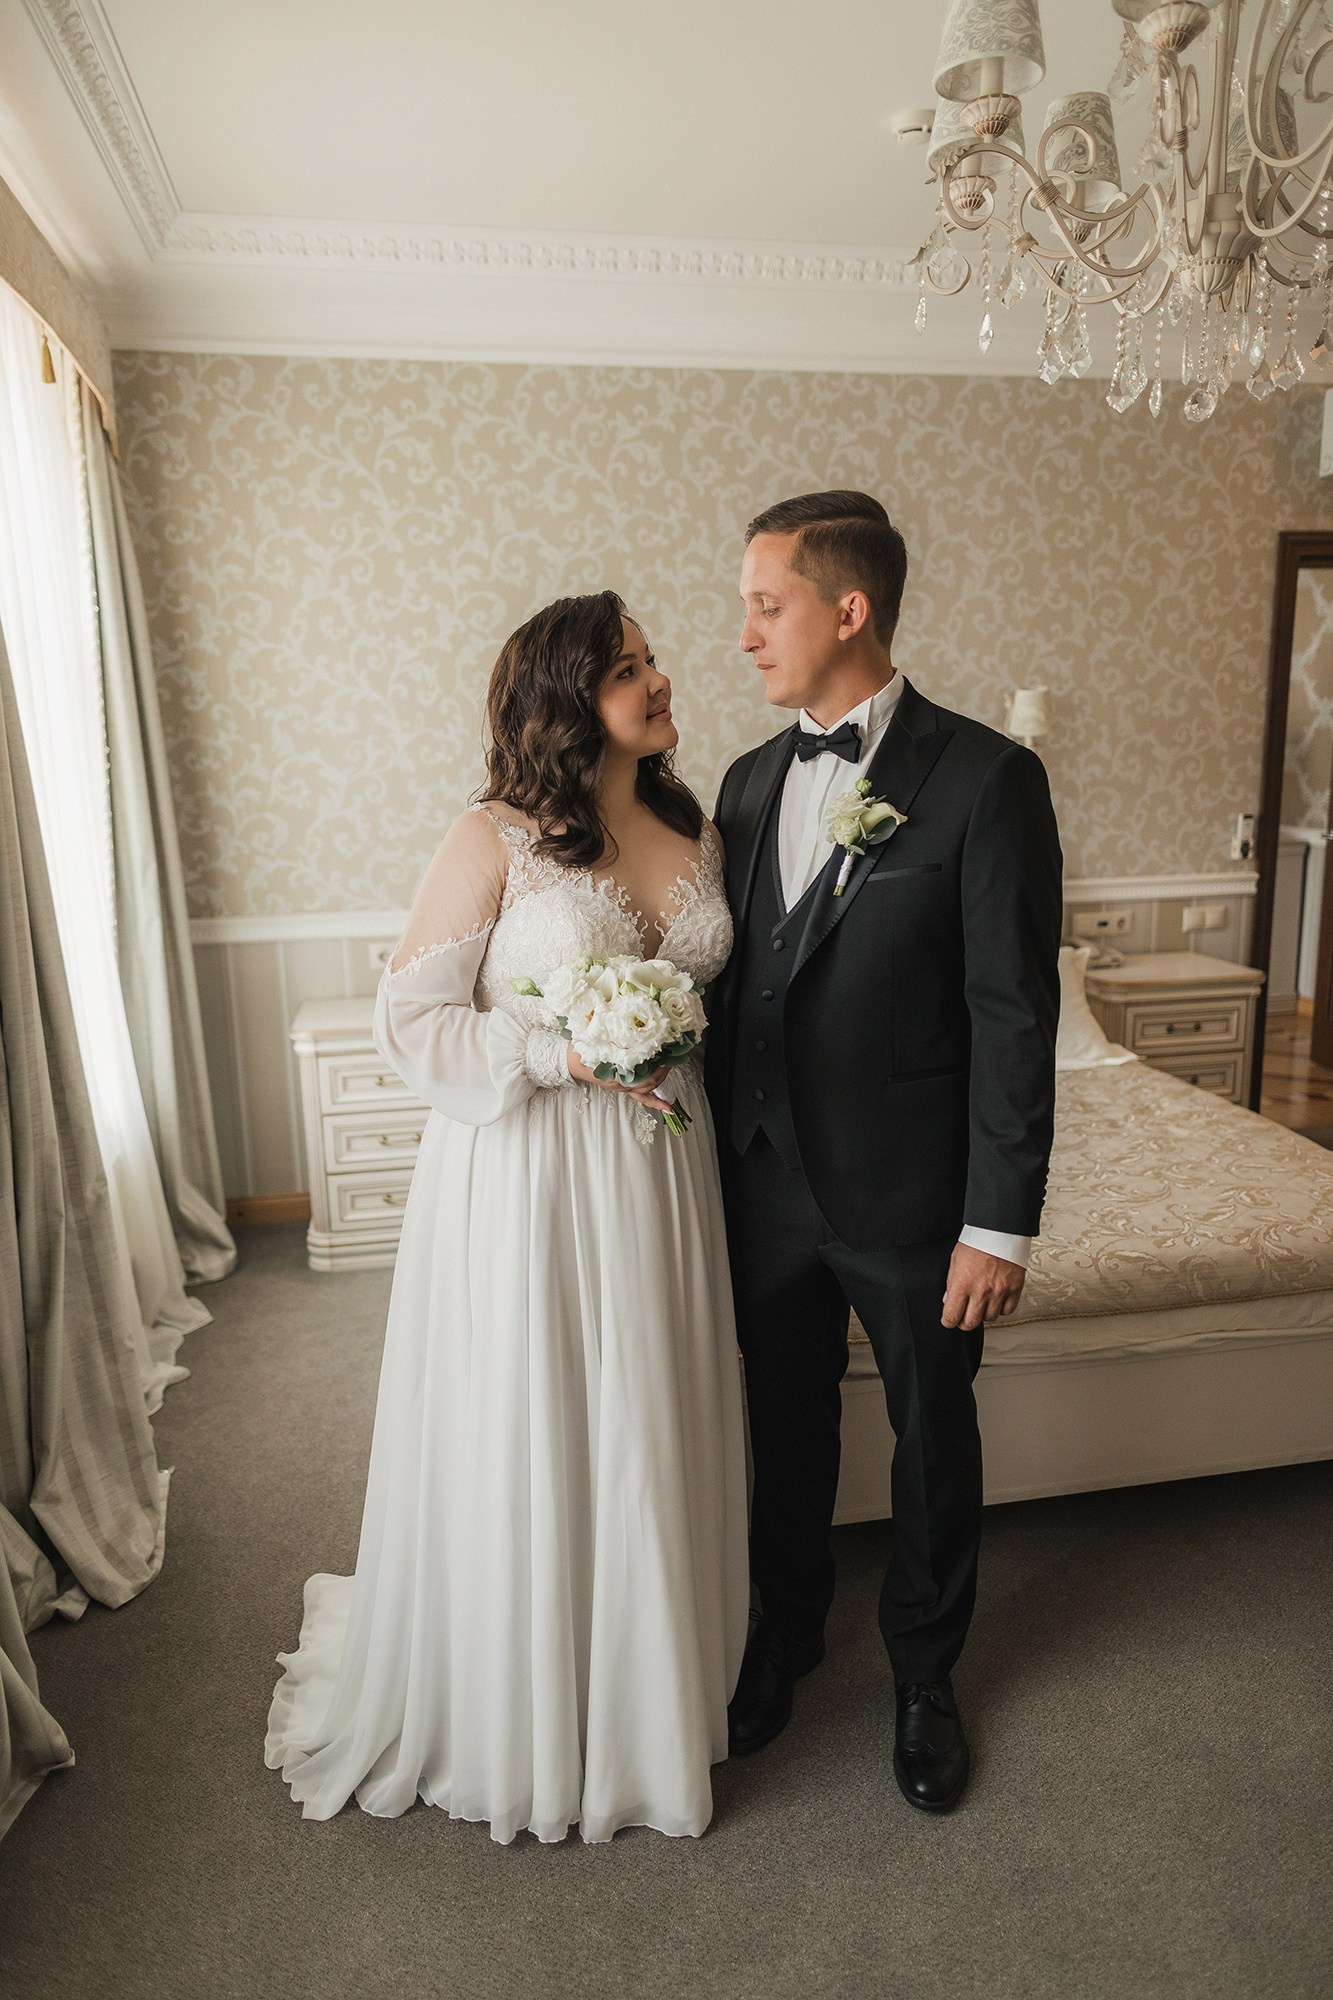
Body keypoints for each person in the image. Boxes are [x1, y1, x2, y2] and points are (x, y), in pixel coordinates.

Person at [265, 591, 749, 1844]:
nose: (659, 678)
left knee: (647, 1403)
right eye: (629, 667)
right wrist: (558, 1052)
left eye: (650, 658)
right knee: (540, 1400)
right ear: (566, 697)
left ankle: (646, 1692)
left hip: (661, 1164)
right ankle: (524, 1699)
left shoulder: (695, 824)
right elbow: (411, 1019)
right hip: (532, 1164)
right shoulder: (491, 834)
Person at [706, 491, 1061, 1814]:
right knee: (780, 1422)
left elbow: (1012, 1015)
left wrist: (997, 1220)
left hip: (913, 1197)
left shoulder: (985, 778)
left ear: (847, 609)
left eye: (767, 604)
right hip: (761, 1182)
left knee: (930, 1441)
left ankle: (923, 1671)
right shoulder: (746, 782)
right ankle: (787, 1634)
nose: (745, 633)